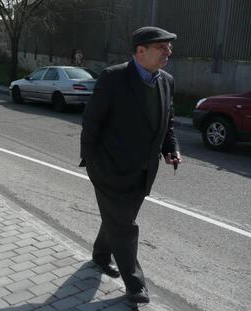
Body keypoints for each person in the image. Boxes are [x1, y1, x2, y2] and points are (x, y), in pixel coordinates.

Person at [80, 26, 181, 304]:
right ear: (141, 51)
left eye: (169, 47)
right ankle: (135, 284)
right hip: (109, 169)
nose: (168, 52)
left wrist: (170, 148)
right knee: (125, 225)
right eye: (162, 47)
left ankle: (101, 255)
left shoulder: (167, 81)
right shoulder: (113, 78)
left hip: (144, 171)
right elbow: (91, 122)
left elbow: (166, 122)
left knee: (116, 219)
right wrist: (91, 162)